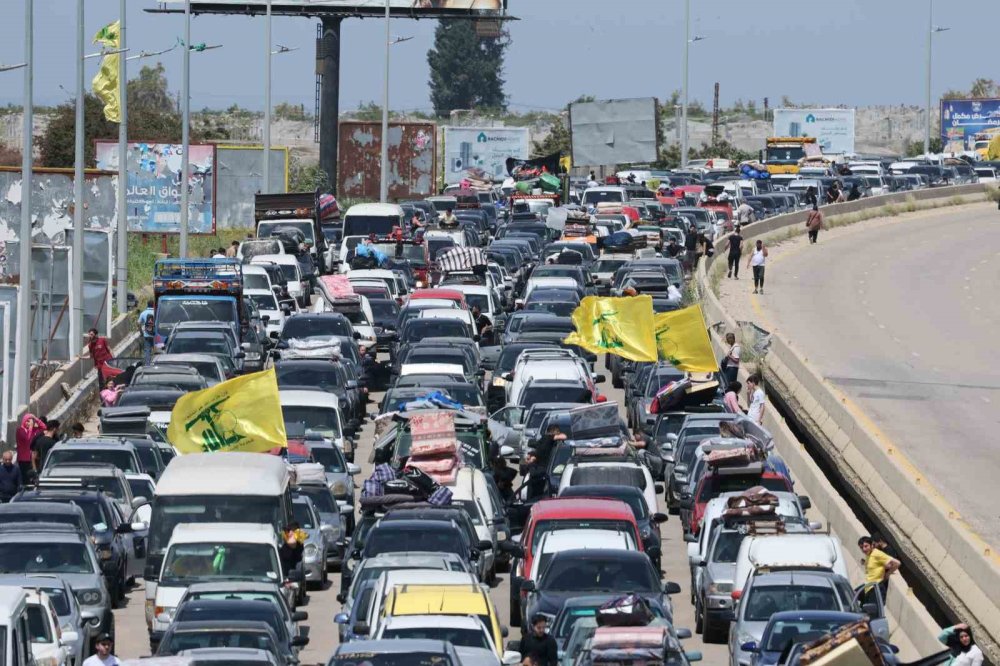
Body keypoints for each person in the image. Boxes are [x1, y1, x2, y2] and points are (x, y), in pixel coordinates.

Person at [858, 536, 900, 605]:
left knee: (871, 612)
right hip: (868, 586)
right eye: (861, 547)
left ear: (872, 545)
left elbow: (896, 563)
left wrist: (888, 574)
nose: (864, 549)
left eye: (866, 546)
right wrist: (865, 562)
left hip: (876, 588)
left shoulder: (877, 553)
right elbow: (874, 564)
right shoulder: (869, 555)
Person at [15, 413, 45, 481]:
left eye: (30, 421)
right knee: (25, 477)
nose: (28, 423)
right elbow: (27, 439)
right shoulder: (20, 430)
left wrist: (36, 419)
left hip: (32, 458)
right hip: (23, 459)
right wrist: (31, 427)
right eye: (27, 421)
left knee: (34, 476)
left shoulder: (33, 430)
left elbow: (44, 427)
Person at [138, 300, 155, 365]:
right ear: (153, 305)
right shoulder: (156, 312)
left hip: (146, 334)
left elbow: (138, 323)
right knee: (156, 350)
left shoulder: (143, 313)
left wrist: (141, 332)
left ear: (147, 305)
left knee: (147, 350)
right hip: (155, 335)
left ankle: (147, 365)